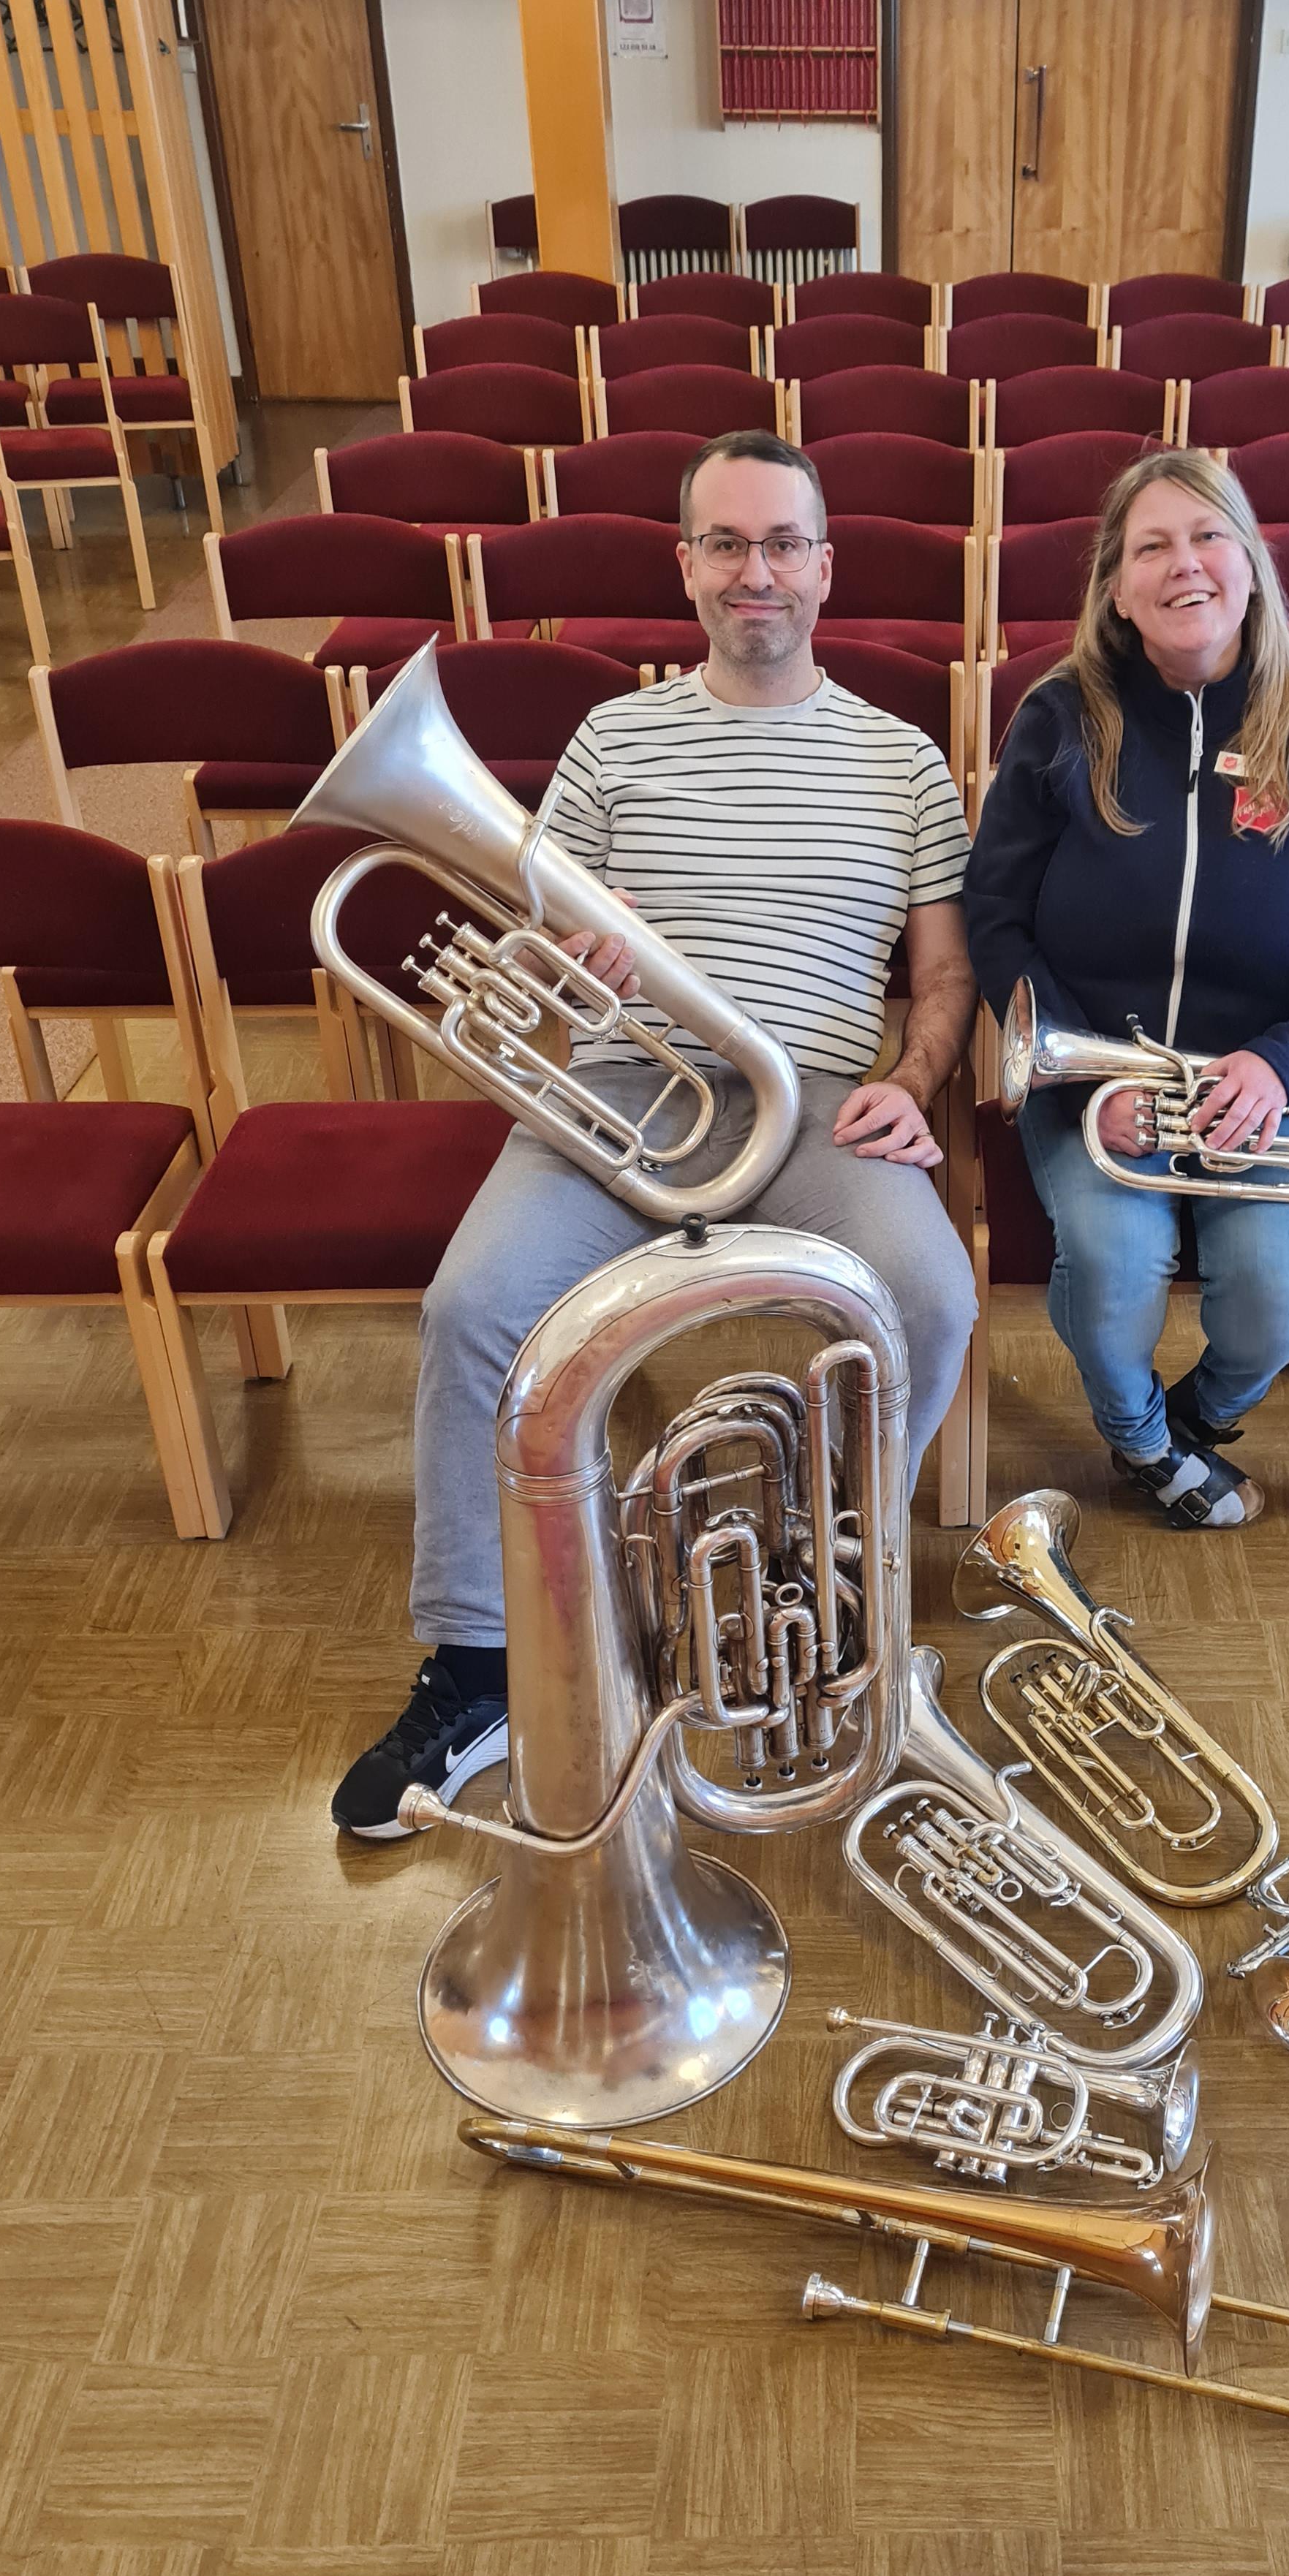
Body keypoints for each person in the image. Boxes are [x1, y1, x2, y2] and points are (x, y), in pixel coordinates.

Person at [331, 428, 978, 1837]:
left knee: (928, 1295)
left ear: (827, 563)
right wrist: (559, 973)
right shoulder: (613, 737)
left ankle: (832, 1575)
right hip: (623, 1100)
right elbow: (533, 953)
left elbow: (941, 977)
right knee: (472, 1310)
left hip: (808, 1103)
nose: (760, 572)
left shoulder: (905, 760)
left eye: (785, 543)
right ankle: (476, 1664)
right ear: (686, 566)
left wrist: (914, 1082)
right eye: (728, 544)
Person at [964, 448, 1289, 1529]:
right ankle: (1137, 1441)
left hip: (1270, 1074)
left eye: (1209, 537)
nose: (1187, 566)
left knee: (1276, 1298)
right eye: (1152, 547)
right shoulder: (1062, 715)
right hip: (1094, 1074)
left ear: (1252, 563)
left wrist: (1285, 1061)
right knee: (1116, 1269)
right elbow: (996, 913)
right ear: (1117, 590)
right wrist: (1083, 1082)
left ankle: (1199, 1418)